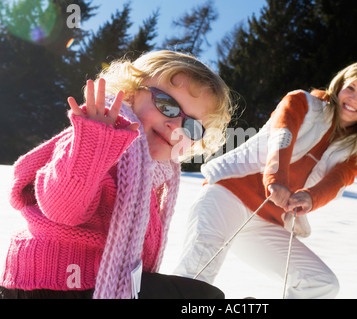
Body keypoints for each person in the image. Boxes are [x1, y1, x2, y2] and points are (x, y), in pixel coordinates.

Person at [0, 50, 234, 299]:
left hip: (91, 285)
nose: (175, 126)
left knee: (201, 295)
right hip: (48, 285)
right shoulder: (97, 140)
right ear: (131, 93)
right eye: (167, 105)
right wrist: (92, 143)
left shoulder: (150, 174)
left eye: (192, 126)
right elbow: (61, 207)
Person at [174, 60, 357, 299]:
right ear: (339, 86)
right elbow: (281, 137)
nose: (353, 99)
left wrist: (310, 198)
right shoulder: (302, 103)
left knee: (321, 283)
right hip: (227, 196)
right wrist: (276, 179)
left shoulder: (354, 155)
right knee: (196, 274)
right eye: (350, 88)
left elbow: (335, 182)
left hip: (267, 224)